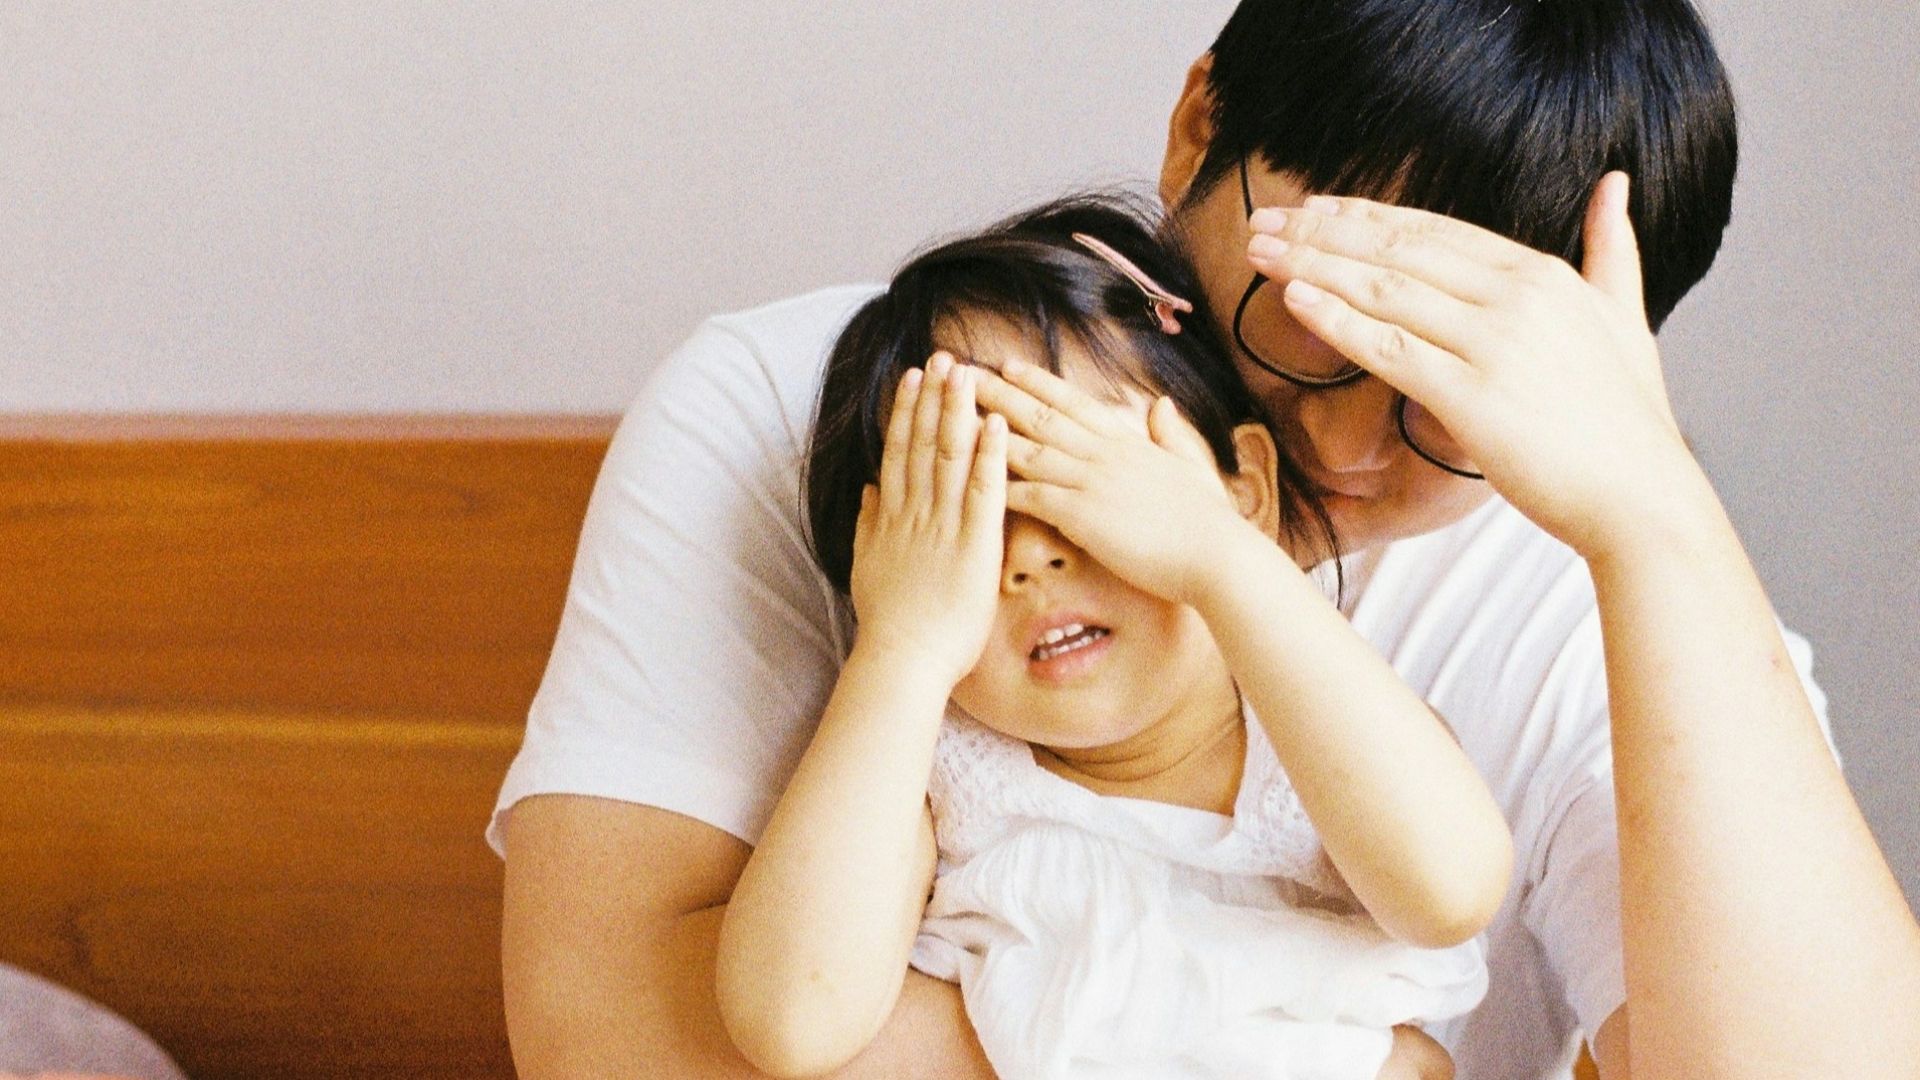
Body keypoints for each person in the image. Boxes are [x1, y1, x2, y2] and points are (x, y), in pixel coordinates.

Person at [494, 3, 1920, 1077]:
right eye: (1308, 329)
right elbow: (602, 1034)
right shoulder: (855, 429)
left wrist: (1654, 520)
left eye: (1441, 409)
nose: (1341, 454)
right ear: (1198, 128)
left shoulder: (1606, 578)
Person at [713, 198, 1508, 1080]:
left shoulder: (1324, 721)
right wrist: (901, 652)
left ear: (1243, 488)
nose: (1030, 557)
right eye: (968, 520)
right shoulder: (940, 777)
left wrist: (1223, 559)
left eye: (1079, 483)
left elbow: (1450, 893)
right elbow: (792, 1022)